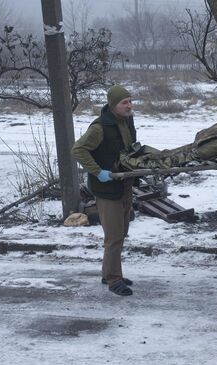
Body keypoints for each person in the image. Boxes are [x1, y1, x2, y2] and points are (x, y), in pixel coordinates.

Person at [71, 85, 137, 296]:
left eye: (129, 101)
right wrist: (98, 171)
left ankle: (109, 271)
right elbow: (78, 150)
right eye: (123, 103)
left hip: (124, 184)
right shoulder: (100, 127)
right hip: (106, 189)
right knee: (114, 236)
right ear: (112, 105)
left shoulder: (126, 122)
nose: (128, 106)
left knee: (122, 232)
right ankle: (113, 279)